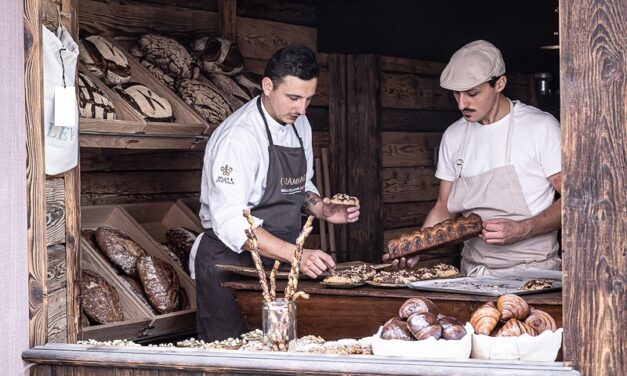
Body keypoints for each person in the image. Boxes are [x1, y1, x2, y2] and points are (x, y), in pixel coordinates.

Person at [192, 45, 361, 341]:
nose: (302, 109)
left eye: (308, 99)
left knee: (281, 352)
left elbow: (301, 185)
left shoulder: (299, 123)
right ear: (268, 86)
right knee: (231, 361)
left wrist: (321, 208)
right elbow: (232, 221)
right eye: (294, 98)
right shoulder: (239, 137)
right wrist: (298, 254)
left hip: (279, 264)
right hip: (231, 267)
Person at [383, 40, 562, 277]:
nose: (461, 104)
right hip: (474, 274)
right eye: (456, 94)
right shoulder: (454, 135)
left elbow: (574, 202)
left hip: (535, 273)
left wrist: (523, 229)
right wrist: (419, 247)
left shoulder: (540, 127)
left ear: (500, 83)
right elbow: (444, 207)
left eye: (472, 93)